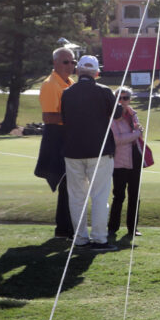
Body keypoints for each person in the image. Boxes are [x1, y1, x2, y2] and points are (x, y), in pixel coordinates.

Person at [60, 55, 122, 251]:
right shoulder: (103, 91)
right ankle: (99, 239)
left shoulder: (67, 93)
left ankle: (80, 239)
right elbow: (117, 113)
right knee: (100, 196)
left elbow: (64, 117)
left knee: (77, 197)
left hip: (72, 151)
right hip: (99, 151)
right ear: (96, 73)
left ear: (78, 71)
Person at [34, 46, 75, 239]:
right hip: (57, 136)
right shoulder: (50, 84)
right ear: (55, 63)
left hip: (68, 136)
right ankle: (64, 229)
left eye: (73, 62)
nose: (70, 65)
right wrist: (77, 117)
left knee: (71, 184)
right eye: (66, 62)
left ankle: (66, 228)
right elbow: (49, 117)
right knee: (66, 183)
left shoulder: (70, 82)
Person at [109, 87, 144, 239]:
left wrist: (136, 133)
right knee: (119, 196)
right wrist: (136, 133)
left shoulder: (132, 114)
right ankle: (112, 228)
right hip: (119, 161)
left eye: (126, 97)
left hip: (135, 158)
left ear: (130, 99)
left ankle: (133, 228)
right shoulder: (111, 117)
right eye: (119, 98)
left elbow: (135, 134)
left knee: (135, 195)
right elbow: (117, 140)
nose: (122, 101)